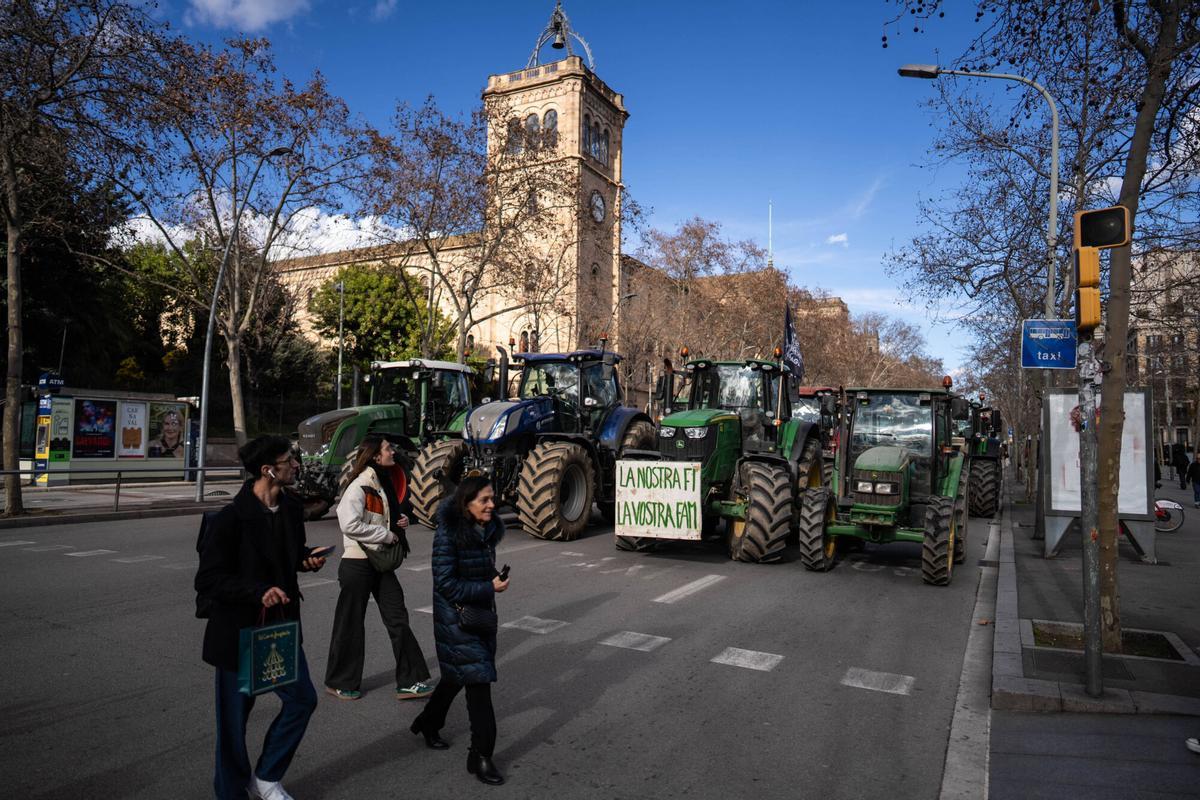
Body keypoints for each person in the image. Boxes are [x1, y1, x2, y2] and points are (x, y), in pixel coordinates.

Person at [196, 435, 327, 800]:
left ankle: (267, 776)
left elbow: (288, 555)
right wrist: (257, 591)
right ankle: (231, 792)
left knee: (302, 700)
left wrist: (306, 559)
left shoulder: (290, 507)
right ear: (268, 470)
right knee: (234, 723)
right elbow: (208, 580)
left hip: (279, 628)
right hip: (239, 632)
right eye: (289, 460)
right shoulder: (231, 519)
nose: (296, 465)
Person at [410, 476, 510, 786]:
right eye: (484, 500)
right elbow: (446, 583)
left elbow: (478, 567)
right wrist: (488, 587)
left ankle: (428, 722)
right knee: (479, 681)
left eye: (492, 498)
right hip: (456, 619)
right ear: (466, 504)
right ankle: (481, 756)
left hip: (479, 616)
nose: (492, 505)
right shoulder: (448, 533)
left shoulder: (486, 528)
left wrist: (494, 577)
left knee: (456, 676)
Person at [325, 434, 433, 701]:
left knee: (398, 619)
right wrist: (386, 535)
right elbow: (349, 523)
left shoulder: (382, 483)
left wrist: (399, 521)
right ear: (375, 455)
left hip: (380, 564)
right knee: (350, 624)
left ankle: (409, 681)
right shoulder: (359, 485)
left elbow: (381, 516)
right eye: (387, 449)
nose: (392, 452)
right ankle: (339, 682)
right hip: (358, 564)